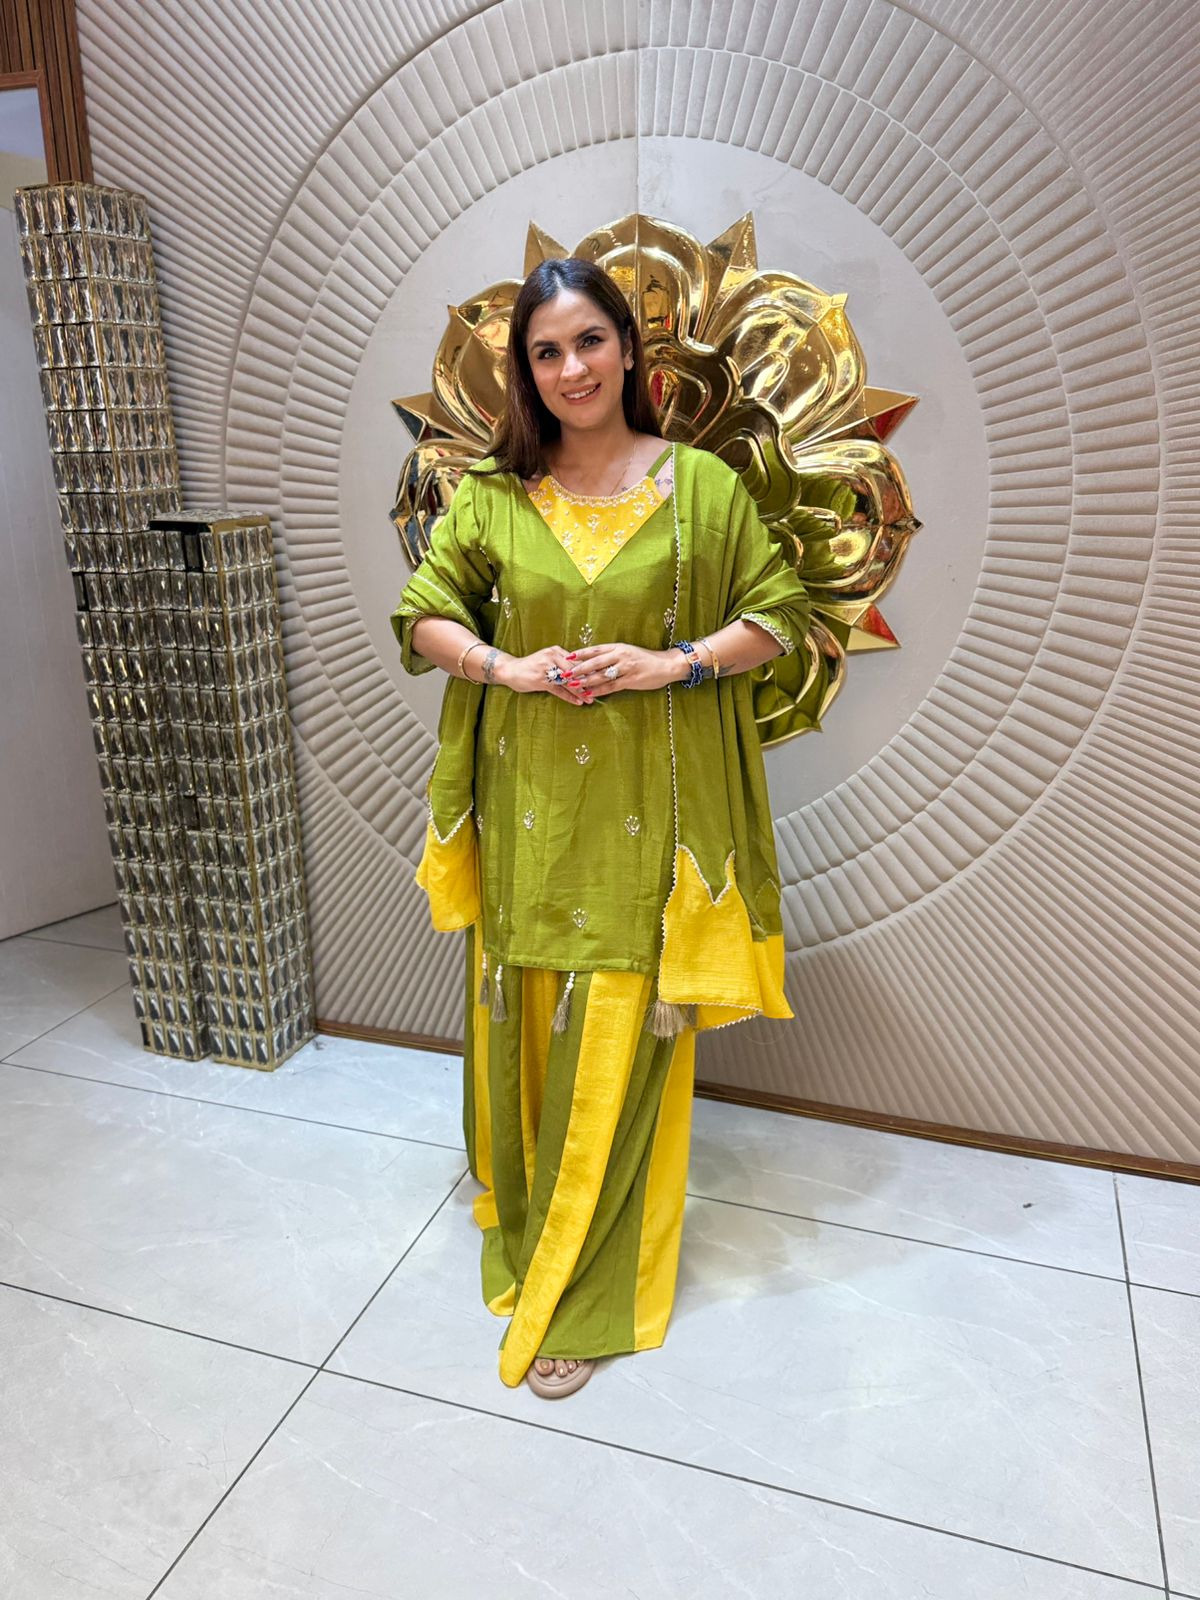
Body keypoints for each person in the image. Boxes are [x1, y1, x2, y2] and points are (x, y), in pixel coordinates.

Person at [391, 257, 812, 1400]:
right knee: (529, 1021)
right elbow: (424, 615)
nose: (570, 367)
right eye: (546, 352)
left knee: (623, 1035)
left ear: (627, 348)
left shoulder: (702, 487)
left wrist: (672, 662)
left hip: (651, 822)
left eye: (588, 341)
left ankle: (588, 1286)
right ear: (525, 373)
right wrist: (507, 667)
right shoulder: (496, 495)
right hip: (530, 814)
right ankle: (533, 1219)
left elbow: (780, 615)